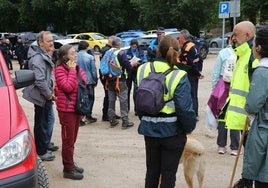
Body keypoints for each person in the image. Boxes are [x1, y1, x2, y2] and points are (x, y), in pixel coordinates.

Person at [137, 35, 196, 187]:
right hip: (173, 132)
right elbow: (184, 108)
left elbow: (138, 99)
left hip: (149, 129)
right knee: (169, 174)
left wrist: (145, 119)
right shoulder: (179, 75)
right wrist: (188, 128)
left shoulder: (143, 69)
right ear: (177, 52)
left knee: (151, 171)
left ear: (158, 50)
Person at [220, 21, 256, 188]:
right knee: (248, 155)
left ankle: (248, 181)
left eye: (235, 34)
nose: (232, 38)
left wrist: (251, 114)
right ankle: (247, 179)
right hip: (245, 119)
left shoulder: (252, 57)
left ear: (247, 36)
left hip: (252, 119)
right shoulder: (241, 55)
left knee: (253, 155)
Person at [237, 27, 268, 188]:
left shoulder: (262, 71)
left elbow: (253, 104)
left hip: (264, 128)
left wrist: (248, 110)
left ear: (259, 48)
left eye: (253, 43)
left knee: (263, 176)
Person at [22, 31, 56, 161]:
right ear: (41, 43)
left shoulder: (44, 55)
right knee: (42, 123)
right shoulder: (38, 58)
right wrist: (48, 95)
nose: (52, 43)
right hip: (42, 96)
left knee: (48, 121)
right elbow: (40, 80)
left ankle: (45, 143)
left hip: (45, 95)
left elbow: (49, 75)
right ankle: (41, 151)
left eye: (52, 40)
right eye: (49, 41)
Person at [54, 44, 87, 180]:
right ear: (64, 57)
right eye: (73, 54)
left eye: (75, 53)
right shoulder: (60, 70)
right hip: (66, 110)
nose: (76, 56)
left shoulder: (76, 68)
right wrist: (73, 71)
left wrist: (75, 71)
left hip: (76, 108)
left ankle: (71, 164)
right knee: (68, 140)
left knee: (72, 139)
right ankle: (68, 169)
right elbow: (68, 87)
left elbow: (84, 82)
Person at [211, 36, 240, 155]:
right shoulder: (242, 53)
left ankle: (221, 146)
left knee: (222, 116)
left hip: (223, 87)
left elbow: (216, 73)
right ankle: (235, 147)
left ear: (229, 40)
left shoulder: (223, 53)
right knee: (234, 115)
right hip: (237, 87)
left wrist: (214, 90)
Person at [107, 36, 138, 129]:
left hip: (110, 79)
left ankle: (112, 120)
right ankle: (125, 121)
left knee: (111, 100)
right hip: (120, 80)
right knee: (123, 100)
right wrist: (132, 64)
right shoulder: (121, 53)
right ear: (119, 44)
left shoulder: (108, 52)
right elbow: (128, 67)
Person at [177, 29, 204, 121]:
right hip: (194, 74)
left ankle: (193, 114)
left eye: (179, 38)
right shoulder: (193, 45)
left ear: (183, 38)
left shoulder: (187, 48)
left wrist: (197, 73)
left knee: (191, 95)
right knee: (194, 94)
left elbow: (190, 63)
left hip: (190, 74)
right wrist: (199, 72)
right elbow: (199, 59)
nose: (178, 39)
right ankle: (195, 113)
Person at [99, 35, 120, 121]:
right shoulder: (109, 50)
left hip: (104, 74)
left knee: (109, 95)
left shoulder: (103, 49)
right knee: (109, 95)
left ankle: (110, 113)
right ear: (112, 42)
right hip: (108, 75)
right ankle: (106, 115)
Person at [77, 40, 98, 125]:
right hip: (88, 80)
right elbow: (93, 70)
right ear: (86, 47)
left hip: (78, 80)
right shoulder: (90, 57)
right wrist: (95, 80)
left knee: (80, 98)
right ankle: (88, 115)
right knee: (90, 98)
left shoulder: (75, 56)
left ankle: (80, 117)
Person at [125, 38, 147, 114]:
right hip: (128, 72)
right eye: (132, 46)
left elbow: (145, 61)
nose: (134, 47)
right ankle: (126, 109)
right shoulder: (126, 52)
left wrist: (138, 63)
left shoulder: (140, 52)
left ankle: (137, 109)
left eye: (135, 46)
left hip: (137, 72)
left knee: (136, 92)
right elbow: (124, 61)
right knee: (127, 91)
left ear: (137, 45)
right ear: (130, 45)